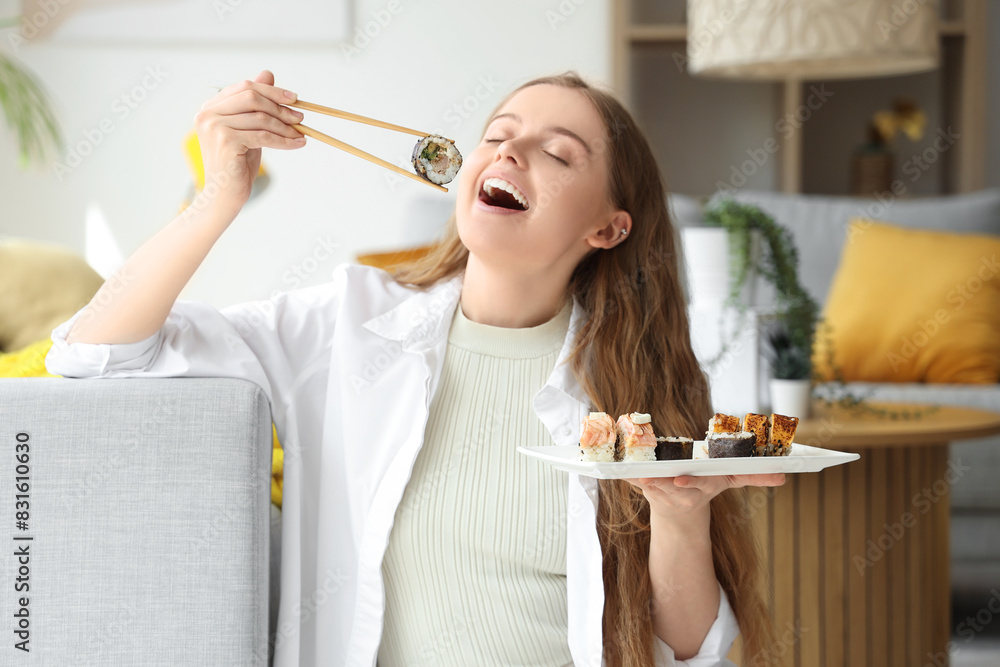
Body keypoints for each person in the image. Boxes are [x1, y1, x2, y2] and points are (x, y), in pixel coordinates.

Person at [47, 69, 784, 666]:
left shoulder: (635, 389)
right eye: (497, 137)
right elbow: (92, 352)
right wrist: (218, 196)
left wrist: (681, 518)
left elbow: (691, 650)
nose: (508, 154)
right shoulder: (347, 326)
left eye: (557, 153)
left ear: (607, 227)